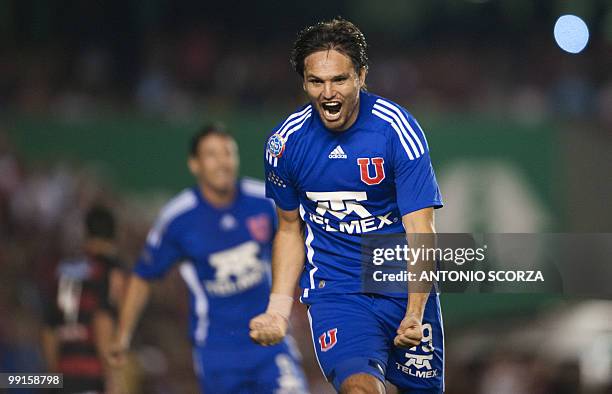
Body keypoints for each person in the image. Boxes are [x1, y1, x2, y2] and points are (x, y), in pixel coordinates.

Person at [250, 19, 444, 394]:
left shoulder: (396, 131)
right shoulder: (284, 144)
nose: (327, 93)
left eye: (339, 79)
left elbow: (421, 230)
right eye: (316, 82)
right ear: (303, 83)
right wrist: (277, 309)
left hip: (401, 286)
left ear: (361, 77)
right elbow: (289, 229)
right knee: (359, 389)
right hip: (335, 290)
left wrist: (415, 312)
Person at [108, 124, 308, 394]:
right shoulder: (178, 218)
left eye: (228, 152)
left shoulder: (263, 200)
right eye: (212, 155)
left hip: (270, 340)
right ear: (195, 164)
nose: (222, 162)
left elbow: (297, 241)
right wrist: (123, 335)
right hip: (217, 351)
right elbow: (144, 275)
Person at [42, 205, 126, 394]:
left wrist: (53, 377)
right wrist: (112, 378)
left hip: (63, 374)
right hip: (91, 375)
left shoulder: (64, 270)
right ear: (115, 234)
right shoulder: (110, 270)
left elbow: (49, 329)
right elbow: (102, 320)